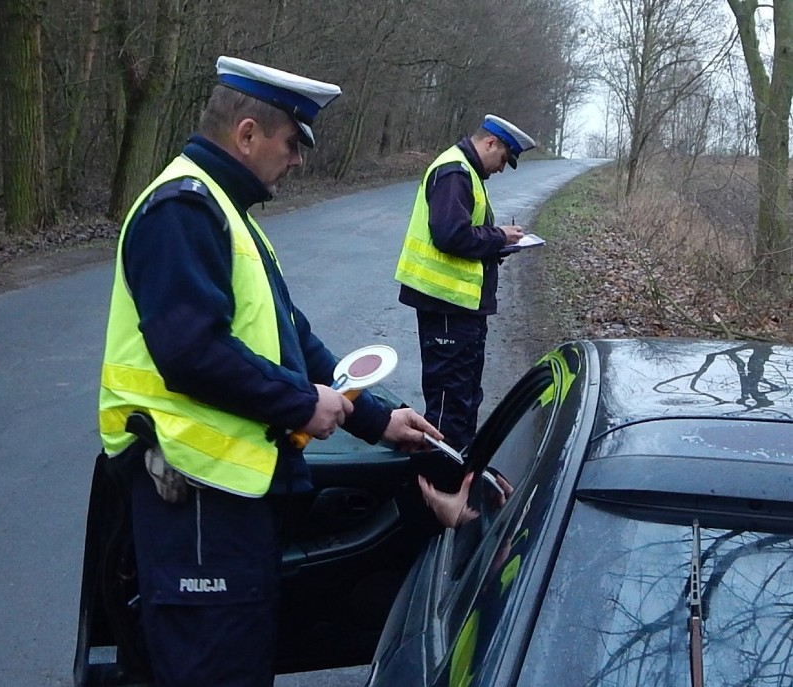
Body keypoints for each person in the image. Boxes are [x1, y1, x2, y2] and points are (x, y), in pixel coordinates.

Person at [97, 55, 440, 687]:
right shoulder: (184, 208)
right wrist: (299, 403)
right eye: (292, 142)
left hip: (225, 500)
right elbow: (190, 353)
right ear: (247, 133)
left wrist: (377, 417)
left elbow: (291, 338)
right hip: (194, 496)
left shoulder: (227, 212)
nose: (299, 159)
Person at [394, 114, 536, 452]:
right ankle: (437, 487)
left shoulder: (466, 172)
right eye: (503, 159)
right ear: (490, 143)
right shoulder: (455, 172)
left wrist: (499, 244)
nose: (502, 168)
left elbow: (464, 236)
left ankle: (456, 476)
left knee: (465, 399)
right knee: (449, 408)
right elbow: (450, 235)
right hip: (447, 306)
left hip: (462, 308)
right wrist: (498, 236)